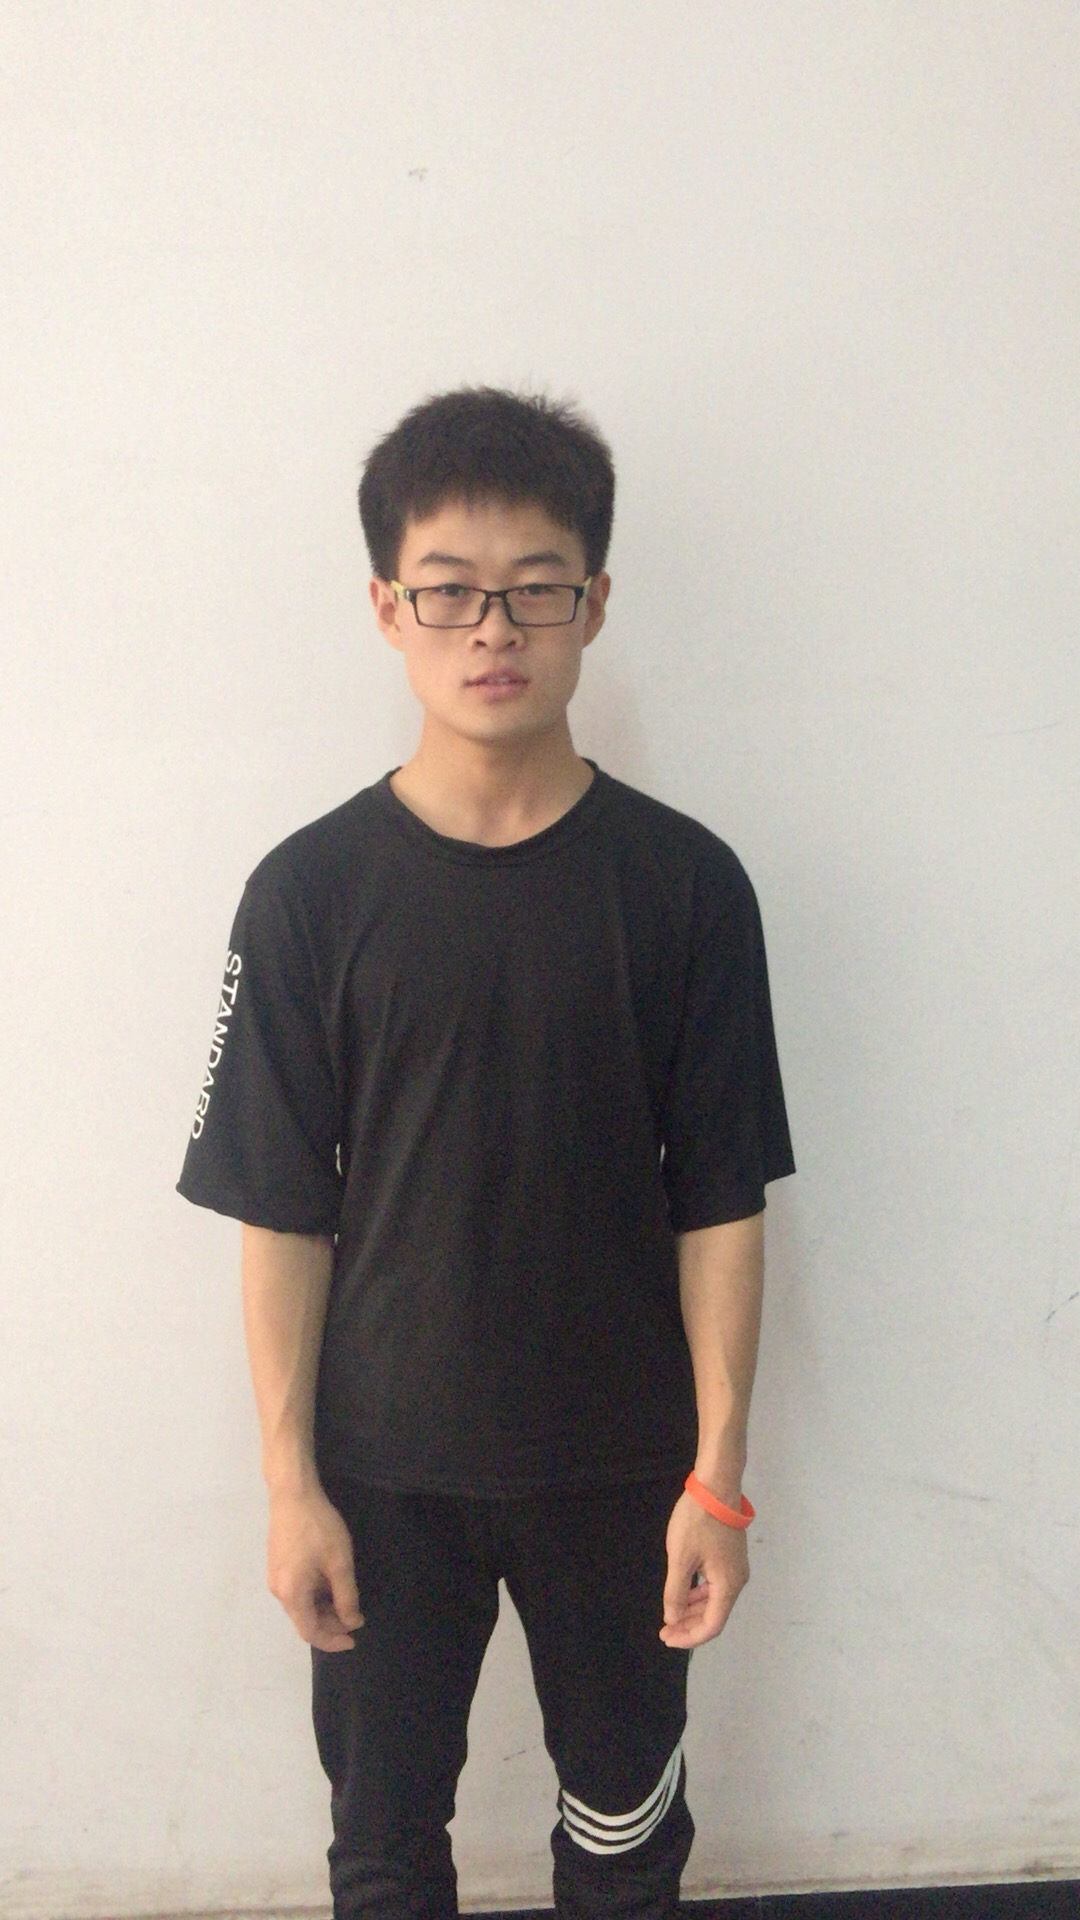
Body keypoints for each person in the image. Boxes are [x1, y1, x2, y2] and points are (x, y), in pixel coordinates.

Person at [178, 386, 795, 1920]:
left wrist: (717, 1479)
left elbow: (720, 1202)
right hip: (384, 1472)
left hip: (623, 1465)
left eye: (535, 589)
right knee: (386, 1853)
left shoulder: (687, 887)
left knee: (626, 1845)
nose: (493, 629)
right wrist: (289, 1485)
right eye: (450, 590)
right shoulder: (307, 895)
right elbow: (280, 1213)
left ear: (596, 602)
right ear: (388, 607)